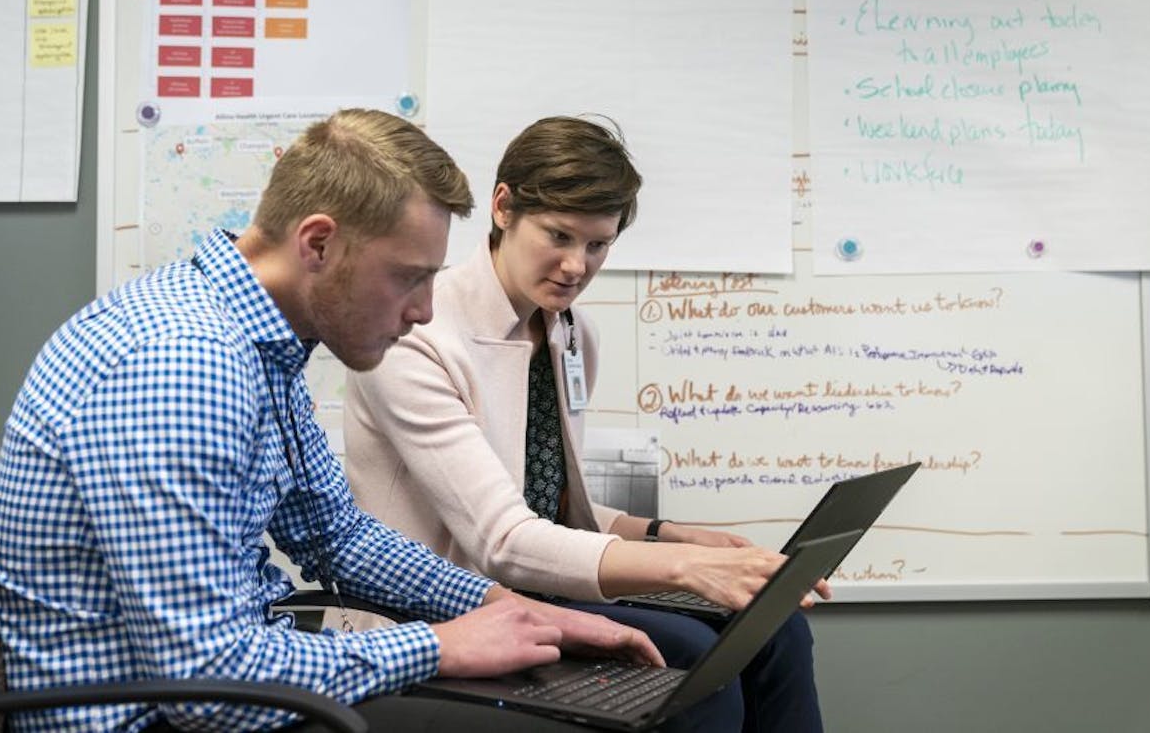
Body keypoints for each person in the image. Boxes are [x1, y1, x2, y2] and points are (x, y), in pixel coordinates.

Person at [0, 109, 660, 733]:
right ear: (318, 244)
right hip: (156, 715)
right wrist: (435, 645)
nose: (424, 311)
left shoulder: (256, 341)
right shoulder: (182, 365)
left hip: (231, 675)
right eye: (407, 278)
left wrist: (498, 604)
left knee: (607, 693)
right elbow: (206, 684)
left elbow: (335, 535)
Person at [345, 116, 828, 733]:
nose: (577, 266)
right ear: (502, 207)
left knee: (777, 631)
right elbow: (503, 538)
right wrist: (683, 569)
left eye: (597, 245)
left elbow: (547, 503)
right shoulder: (416, 337)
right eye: (558, 236)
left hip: (537, 591)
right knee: (699, 670)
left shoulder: (570, 333)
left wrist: (667, 535)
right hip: (445, 613)